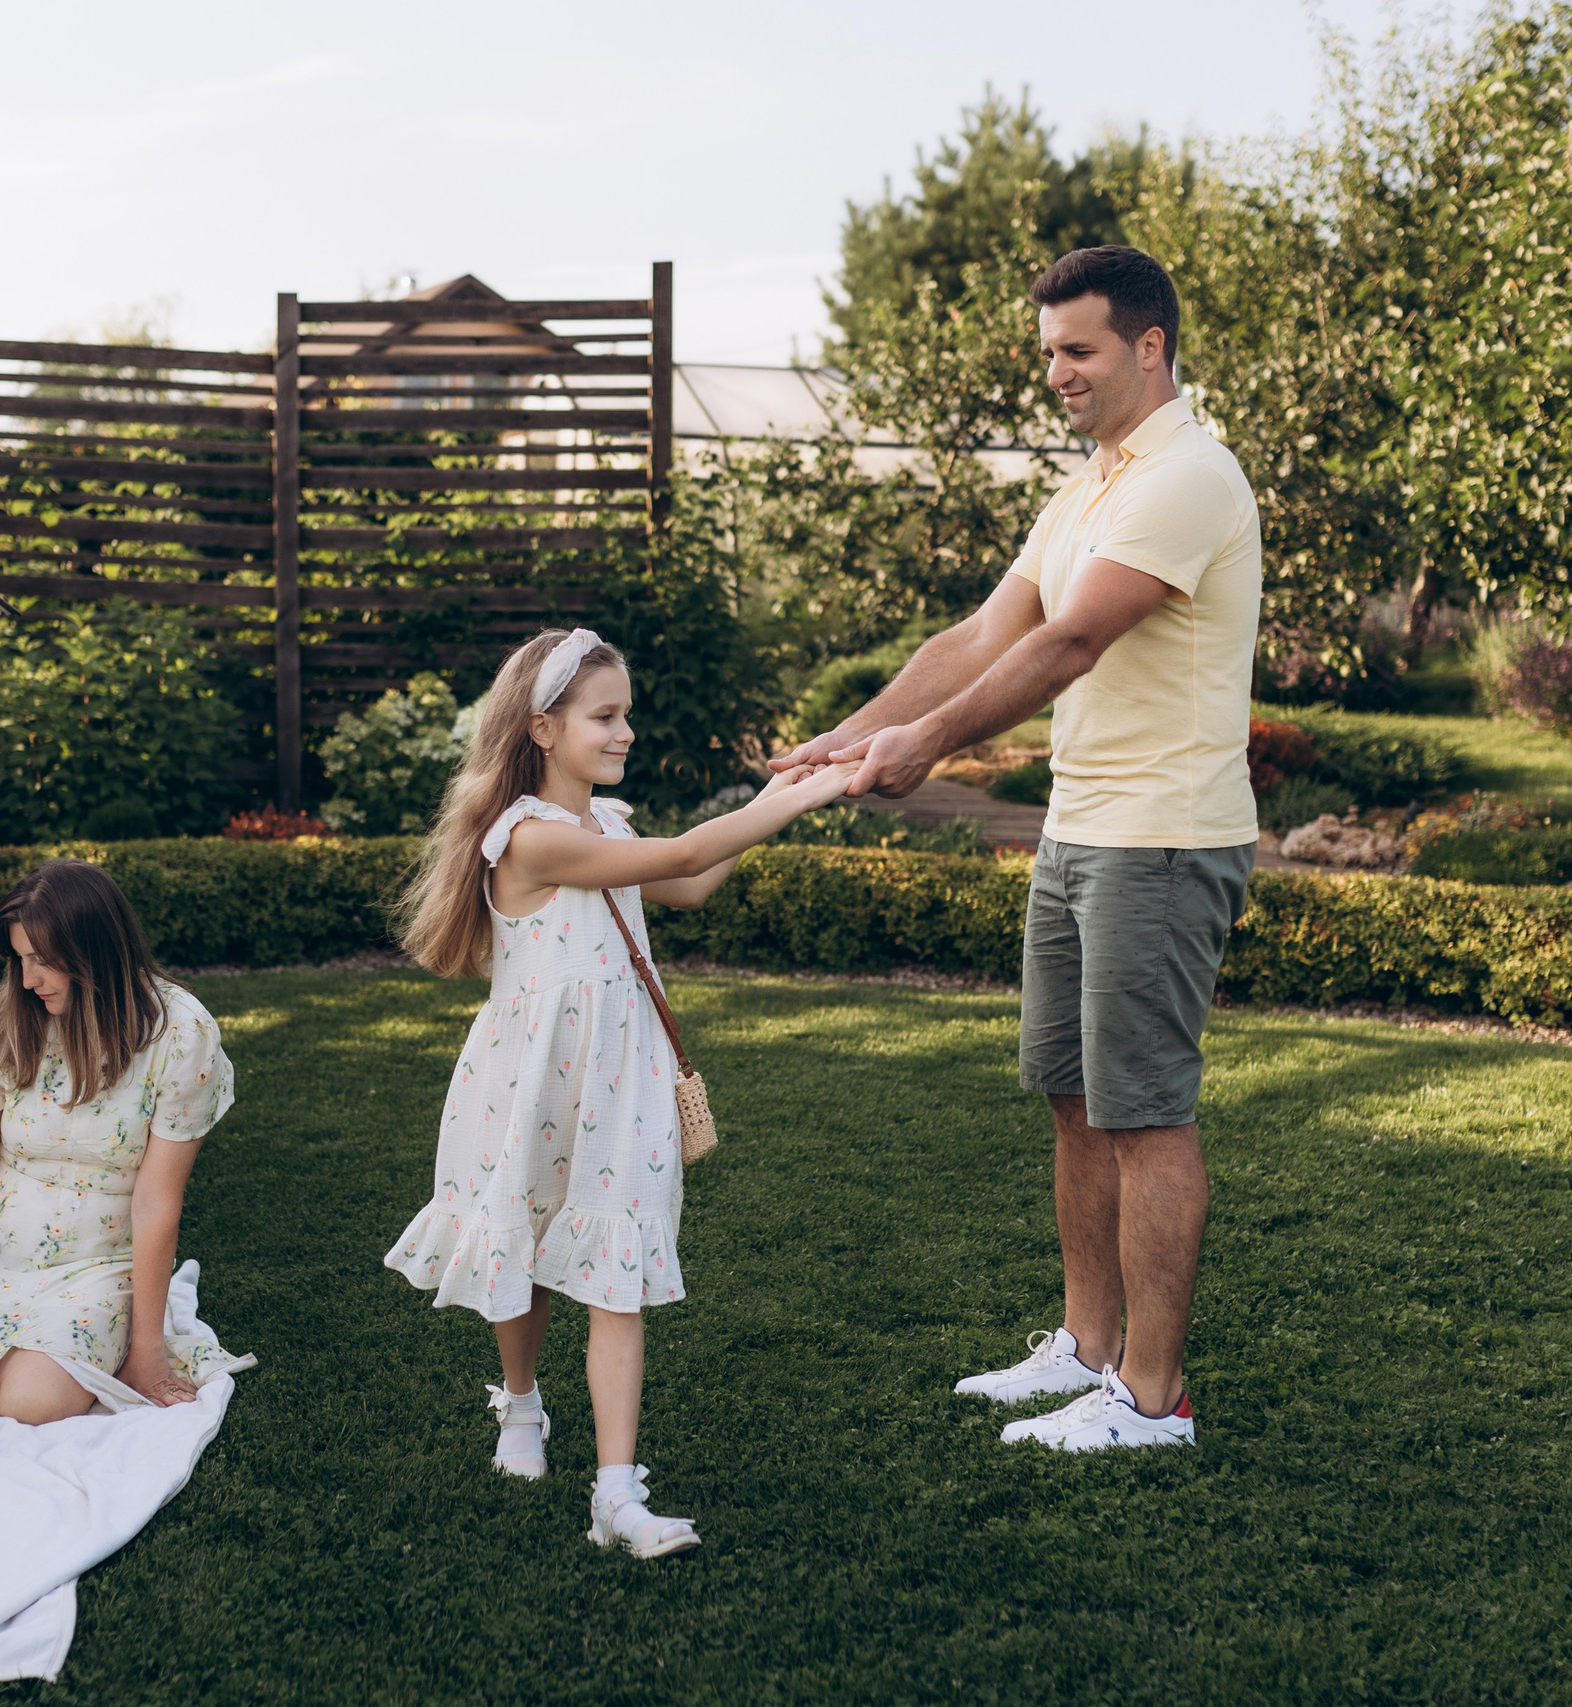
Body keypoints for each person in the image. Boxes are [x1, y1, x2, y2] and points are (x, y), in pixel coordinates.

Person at [784, 245, 1262, 1452]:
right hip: (1078, 830)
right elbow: (982, 633)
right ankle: (1086, 1350)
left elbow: (1070, 644)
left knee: (1143, 1116)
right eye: (1047, 351)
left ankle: (1151, 1399)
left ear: (1149, 347)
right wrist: (851, 733)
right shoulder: (1088, 489)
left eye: (1078, 350)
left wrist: (927, 746)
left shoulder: (1187, 478)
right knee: (1074, 1100)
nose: (1055, 373)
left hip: (1160, 838)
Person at [388, 627, 854, 1556]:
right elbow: (684, 856)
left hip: (619, 1074)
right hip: (533, 1076)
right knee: (524, 1241)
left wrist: (782, 795)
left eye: (625, 714)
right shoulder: (528, 838)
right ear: (543, 728)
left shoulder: (610, 823)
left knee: (616, 1266)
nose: (625, 731)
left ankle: (616, 1492)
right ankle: (522, 1403)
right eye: (605, 716)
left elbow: (694, 880)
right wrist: (811, 790)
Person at [0, 859, 244, 1420]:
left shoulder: (181, 1034)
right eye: (20, 959)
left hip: (97, 1265)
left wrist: (147, 1351)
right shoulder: (0, 1022)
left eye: (42, 960)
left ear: (94, 952)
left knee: (32, 1402)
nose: (27, 980)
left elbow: (156, 1201)